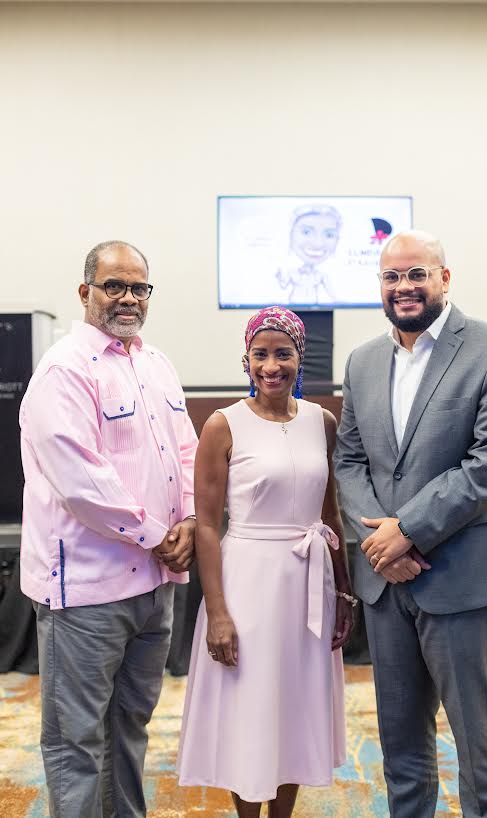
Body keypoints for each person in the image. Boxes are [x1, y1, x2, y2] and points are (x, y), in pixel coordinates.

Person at [334, 230, 487, 818]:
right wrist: (379, 542)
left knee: (480, 746)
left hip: (465, 579)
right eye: (392, 277)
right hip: (386, 584)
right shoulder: (363, 361)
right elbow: (348, 459)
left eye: (417, 274)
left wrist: (407, 531)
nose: (404, 287)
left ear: (444, 278)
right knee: (401, 747)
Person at [19, 240, 198, 818]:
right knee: (76, 743)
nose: (127, 298)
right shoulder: (62, 369)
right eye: (114, 286)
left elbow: (188, 452)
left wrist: (191, 520)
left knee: (130, 730)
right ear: (85, 292)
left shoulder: (155, 364)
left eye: (138, 288)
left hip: (153, 588)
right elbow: (82, 481)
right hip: (87, 595)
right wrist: (158, 535)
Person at [177, 305, 354, 818]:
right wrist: (217, 612)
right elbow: (207, 524)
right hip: (248, 582)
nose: (271, 365)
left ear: (301, 358)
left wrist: (343, 592)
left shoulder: (322, 421)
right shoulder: (222, 424)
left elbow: (331, 512)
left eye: (284, 353)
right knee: (250, 712)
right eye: (261, 354)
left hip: (309, 585)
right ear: (246, 359)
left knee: (294, 713)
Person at [276, 205, 341, 303]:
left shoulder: (320, 275)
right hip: (293, 306)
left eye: (329, 235)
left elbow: (331, 293)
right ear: (290, 234)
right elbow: (283, 285)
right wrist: (279, 276)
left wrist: (339, 302)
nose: (318, 243)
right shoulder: (293, 273)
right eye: (306, 232)